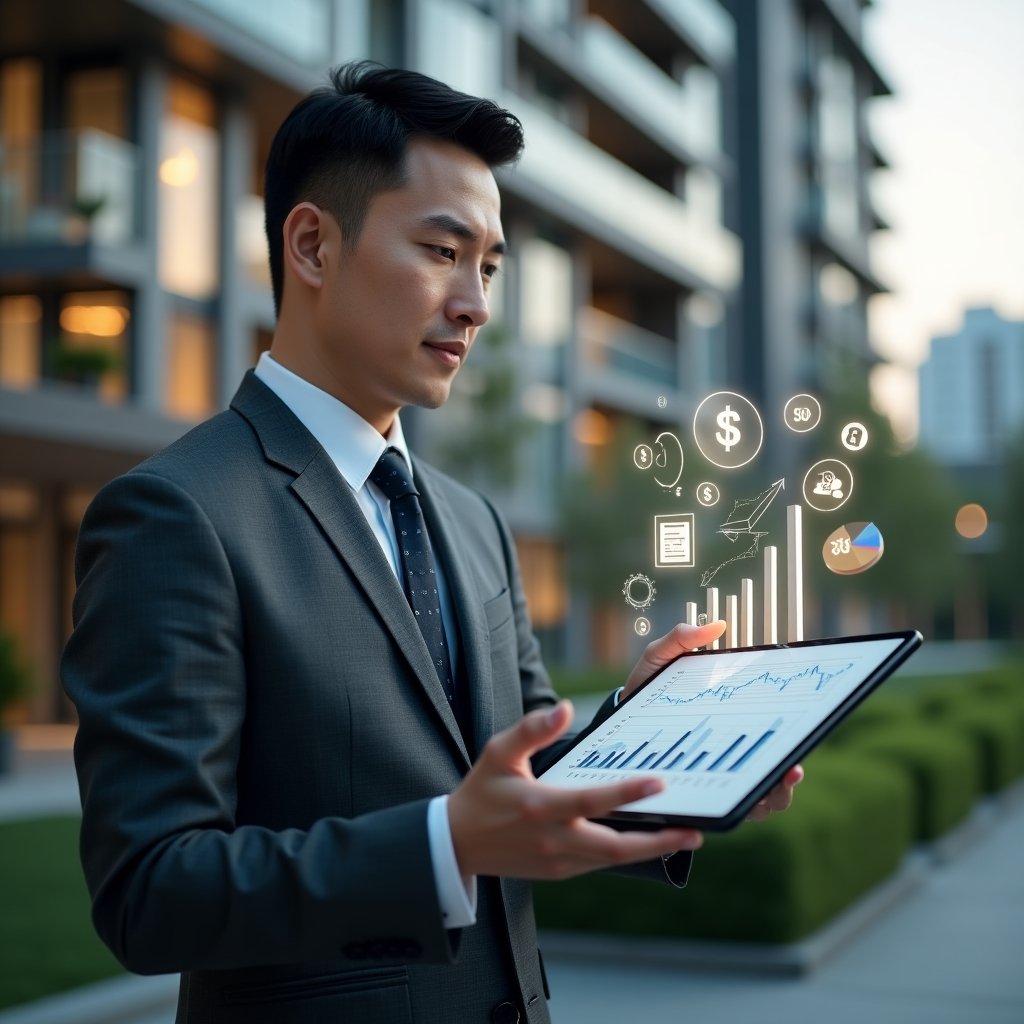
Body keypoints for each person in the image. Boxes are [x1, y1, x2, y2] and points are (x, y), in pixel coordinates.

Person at [62, 63, 801, 1024]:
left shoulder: (472, 521)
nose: (476, 304)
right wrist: (444, 845)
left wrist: (658, 747)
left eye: (488, 266)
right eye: (443, 251)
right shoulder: (176, 513)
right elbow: (150, 891)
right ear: (313, 245)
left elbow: (519, 782)